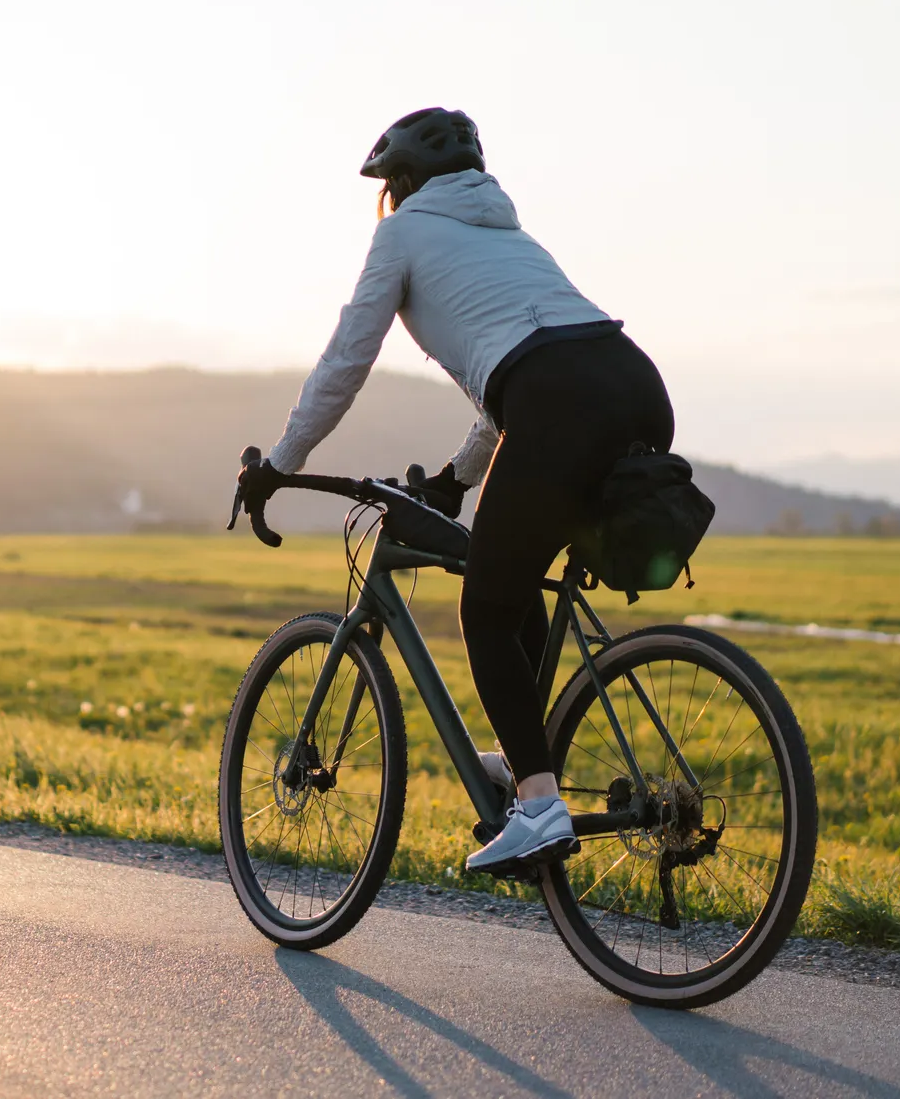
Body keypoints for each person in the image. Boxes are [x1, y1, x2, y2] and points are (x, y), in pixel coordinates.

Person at [239, 107, 673, 873]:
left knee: (485, 606)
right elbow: (516, 380)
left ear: (399, 185)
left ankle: (538, 805)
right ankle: (526, 760)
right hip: (633, 383)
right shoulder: (509, 235)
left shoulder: (400, 234)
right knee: (515, 583)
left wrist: (279, 459)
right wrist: (454, 480)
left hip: (553, 401)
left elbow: (346, 361)